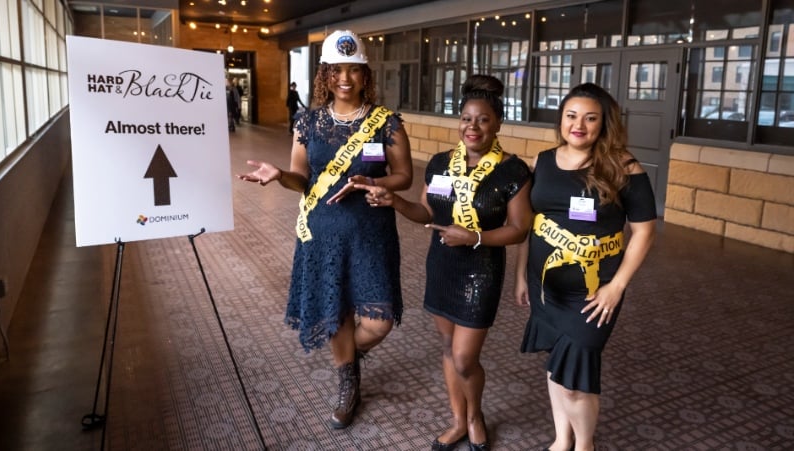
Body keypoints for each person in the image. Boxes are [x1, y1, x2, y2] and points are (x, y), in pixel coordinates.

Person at [236, 29, 413, 430]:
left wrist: (376, 183)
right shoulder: (308, 122)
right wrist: (280, 174)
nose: (345, 78)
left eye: (353, 70)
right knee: (336, 313)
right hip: (322, 232)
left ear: (366, 74)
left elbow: (403, 175)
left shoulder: (385, 123)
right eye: (336, 70)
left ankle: (347, 356)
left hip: (371, 231)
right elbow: (301, 177)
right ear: (325, 75)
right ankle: (348, 383)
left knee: (378, 320)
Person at [355, 74, 532, 451]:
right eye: (467, 118)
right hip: (441, 267)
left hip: (481, 270)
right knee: (449, 349)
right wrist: (395, 201)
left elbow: (518, 229)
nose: (473, 126)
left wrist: (474, 236)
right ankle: (457, 420)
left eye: (483, 119)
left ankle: (475, 415)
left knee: (465, 358)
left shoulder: (512, 171)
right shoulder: (440, 164)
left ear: (497, 124)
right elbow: (425, 212)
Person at [514, 83, 657, 451]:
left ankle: (585, 445)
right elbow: (532, 221)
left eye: (590, 118)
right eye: (571, 116)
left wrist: (617, 286)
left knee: (576, 379)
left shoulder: (622, 166)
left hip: (595, 291)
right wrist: (520, 275)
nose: (579, 125)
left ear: (603, 124)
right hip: (546, 284)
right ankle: (562, 439)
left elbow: (643, 231)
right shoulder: (543, 161)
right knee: (556, 366)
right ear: (561, 119)